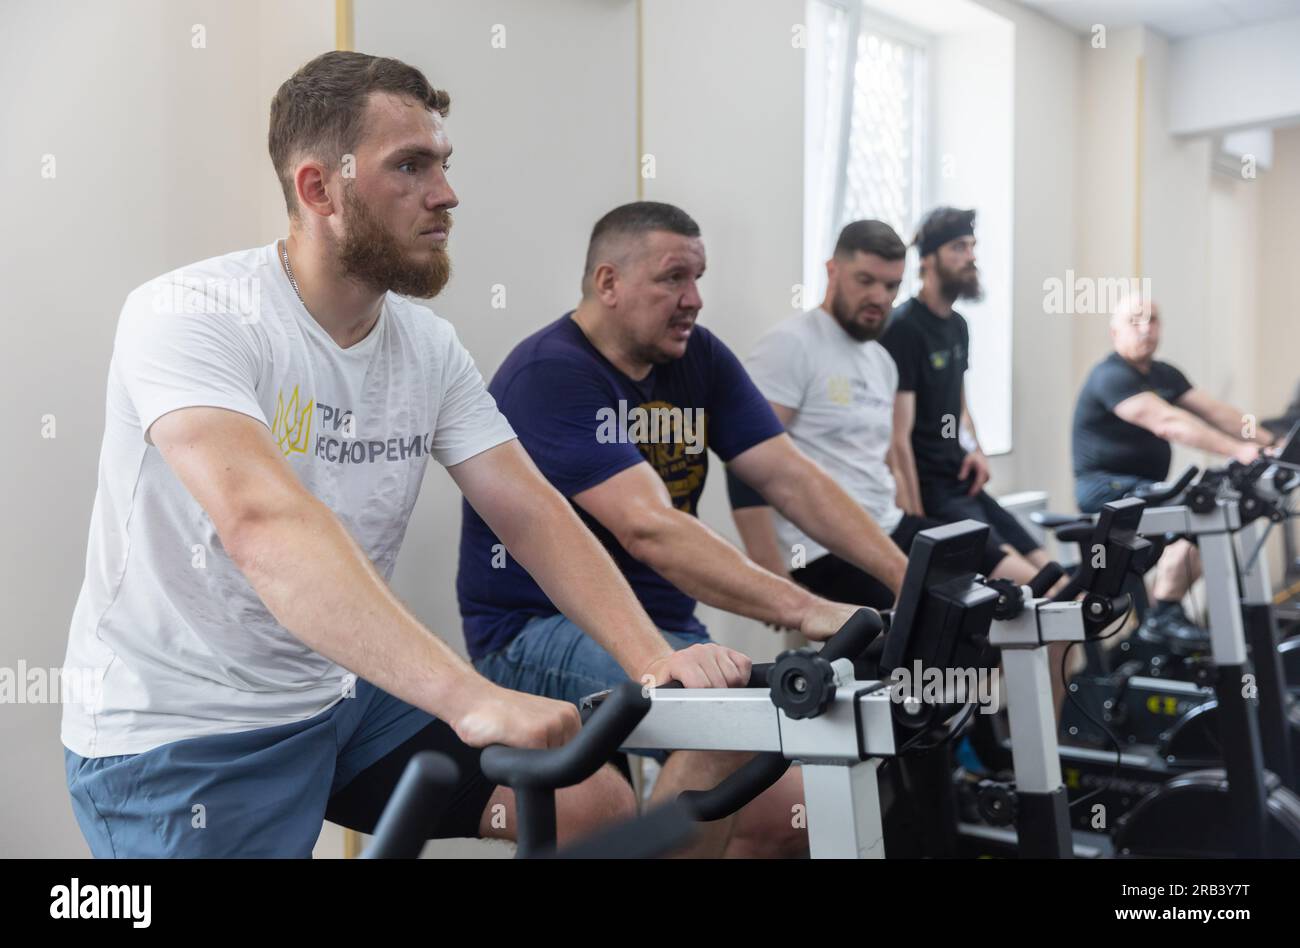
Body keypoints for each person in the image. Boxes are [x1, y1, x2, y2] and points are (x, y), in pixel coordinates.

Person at [60, 51, 747, 858]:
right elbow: (262, 524)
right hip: (186, 727)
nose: (447, 194)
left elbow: (528, 511)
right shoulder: (190, 315)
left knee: (582, 800)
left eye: (444, 165)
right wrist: (469, 697)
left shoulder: (426, 345)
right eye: (411, 167)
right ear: (319, 189)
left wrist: (653, 662)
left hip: (339, 697)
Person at [457, 201, 910, 857]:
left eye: (698, 278)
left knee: (788, 817)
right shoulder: (551, 373)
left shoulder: (699, 358)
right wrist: (810, 609)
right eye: (673, 278)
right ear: (608, 283)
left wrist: (904, 578)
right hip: (536, 629)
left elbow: (789, 475)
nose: (693, 299)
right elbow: (650, 529)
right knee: (725, 725)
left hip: (668, 630)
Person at [725, 218, 1040, 609]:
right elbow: (747, 465)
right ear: (832, 270)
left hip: (889, 526)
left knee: (1021, 593)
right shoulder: (790, 346)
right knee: (951, 619)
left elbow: (891, 452)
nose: (879, 296)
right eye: (865, 281)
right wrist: (771, 577)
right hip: (822, 547)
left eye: (890, 285)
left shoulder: (880, 361)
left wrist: (917, 514)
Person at [1072, 294, 1271, 642]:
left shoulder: (1163, 373)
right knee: (1200, 512)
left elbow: (1216, 412)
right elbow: (1168, 423)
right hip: (1107, 491)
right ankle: (1163, 614)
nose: (1145, 328)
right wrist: (1239, 450)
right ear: (1114, 332)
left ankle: (1161, 614)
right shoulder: (1110, 376)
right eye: (1134, 321)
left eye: (1152, 320)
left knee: (1211, 511)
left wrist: (1271, 444)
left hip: (1145, 488)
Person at [881, 207, 1053, 583]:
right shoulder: (904, 329)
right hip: (934, 494)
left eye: (972, 246)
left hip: (962, 480)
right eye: (959, 247)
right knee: (1036, 591)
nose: (971, 256)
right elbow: (897, 440)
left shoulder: (958, 327)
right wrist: (916, 523)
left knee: (1056, 574)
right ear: (927, 259)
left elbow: (958, 404)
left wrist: (975, 447)